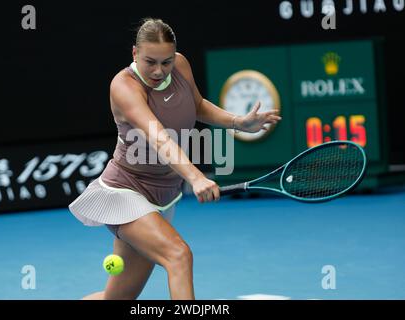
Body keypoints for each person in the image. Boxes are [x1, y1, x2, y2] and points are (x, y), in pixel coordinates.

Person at [68, 18, 281, 300]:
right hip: (125, 191)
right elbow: (159, 139)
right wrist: (195, 176)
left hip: (163, 195)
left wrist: (237, 122)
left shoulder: (180, 65)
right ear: (134, 53)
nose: (159, 70)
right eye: (150, 62)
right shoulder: (124, 86)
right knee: (178, 255)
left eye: (166, 62)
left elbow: (198, 105)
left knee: (116, 299)